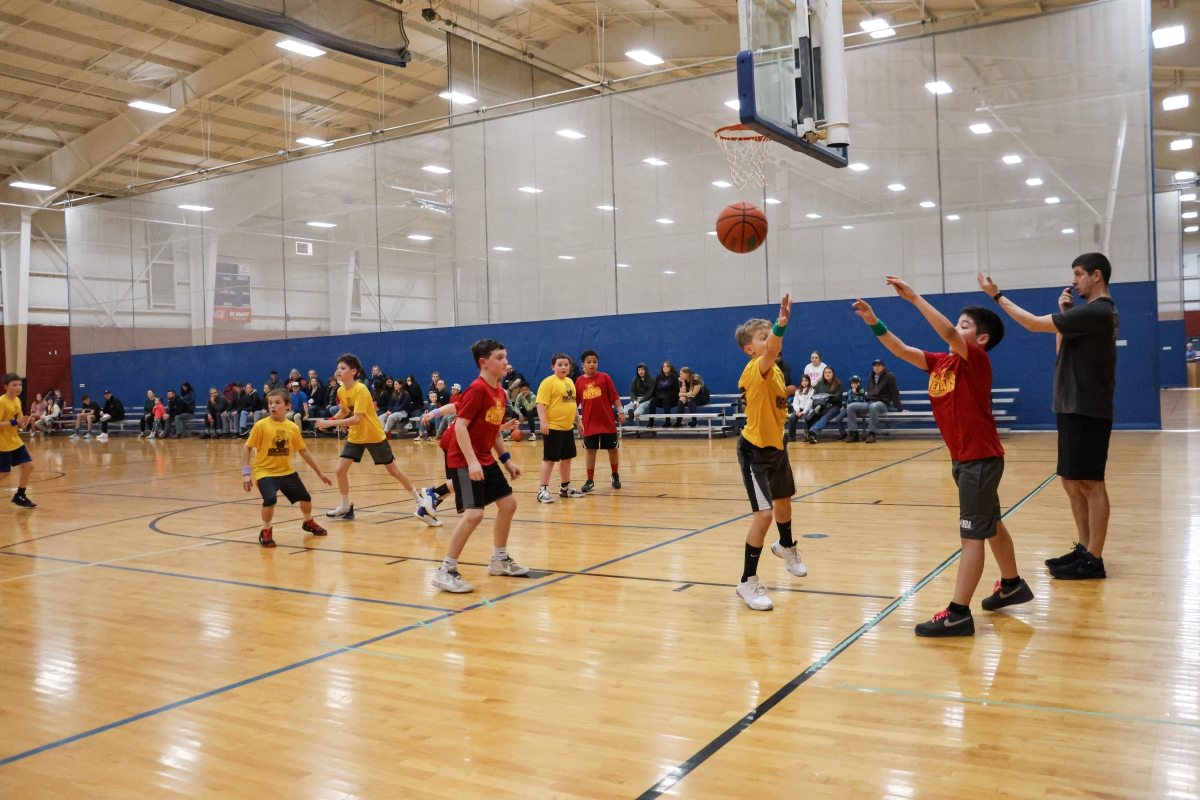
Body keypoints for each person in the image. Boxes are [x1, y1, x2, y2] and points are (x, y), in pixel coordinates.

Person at [853, 277, 1032, 636]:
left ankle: (958, 613)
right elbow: (901, 349)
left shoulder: (975, 361)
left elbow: (949, 334)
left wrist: (915, 298)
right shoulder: (941, 363)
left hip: (978, 459)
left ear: (981, 339)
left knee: (972, 536)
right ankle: (1012, 584)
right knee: (990, 522)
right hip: (966, 459)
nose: (956, 329)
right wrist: (874, 321)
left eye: (965, 325)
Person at [978, 253, 1118, 580]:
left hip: (1089, 407)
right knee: (1071, 480)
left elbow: (1030, 323)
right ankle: (1084, 549)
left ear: (1097, 275)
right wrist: (1067, 315)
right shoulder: (1085, 314)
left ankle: (1094, 559)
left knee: (1092, 482)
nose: (1075, 281)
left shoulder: (1099, 311)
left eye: (1079, 274)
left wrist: (996, 296)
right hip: (1071, 405)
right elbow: (1061, 348)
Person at [427, 339, 529, 591]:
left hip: (484, 456)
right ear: (484, 363)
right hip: (464, 458)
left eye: (506, 356)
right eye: (499, 357)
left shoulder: (499, 392)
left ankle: (499, 560)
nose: (506, 361)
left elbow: (494, 431)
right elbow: (460, 426)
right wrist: (472, 461)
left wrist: (507, 461)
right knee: (474, 515)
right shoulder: (477, 389)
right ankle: (445, 570)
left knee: (508, 504)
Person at [733, 296, 807, 611]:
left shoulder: (775, 371)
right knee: (763, 515)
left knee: (784, 500)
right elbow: (774, 347)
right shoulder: (757, 367)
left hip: (776, 446)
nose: (770, 342)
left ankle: (786, 545)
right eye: (762, 338)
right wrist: (781, 323)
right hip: (755, 452)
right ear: (750, 349)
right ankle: (747, 582)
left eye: (770, 336)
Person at [314, 353, 434, 522]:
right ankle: (346, 507)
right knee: (340, 469)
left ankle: (420, 501)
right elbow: (344, 410)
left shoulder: (361, 390)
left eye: (343, 368)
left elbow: (357, 418)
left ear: (354, 371)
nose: (338, 371)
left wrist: (330, 424)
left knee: (393, 470)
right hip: (356, 436)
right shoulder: (342, 390)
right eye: (338, 368)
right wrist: (329, 420)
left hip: (373, 434)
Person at [243, 388, 332, 547]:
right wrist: (246, 473)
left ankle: (308, 522)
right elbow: (247, 448)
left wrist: (320, 473)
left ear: (288, 406)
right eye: (270, 403)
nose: (273, 406)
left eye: (277, 403)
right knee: (270, 500)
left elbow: (303, 451)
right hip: (265, 472)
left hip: (286, 472)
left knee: (306, 499)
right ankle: (265, 531)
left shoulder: (292, 428)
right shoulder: (261, 425)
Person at [536, 352, 584, 502]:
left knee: (567, 459)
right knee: (549, 459)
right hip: (553, 427)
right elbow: (540, 404)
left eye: (566, 365)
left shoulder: (570, 382)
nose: (563, 367)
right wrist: (543, 422)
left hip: (567, 428)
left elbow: (573, 404)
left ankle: (565, 487)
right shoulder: (548, 382)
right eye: (560, 365)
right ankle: (543, 489)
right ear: (553, 367)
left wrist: (579, 421)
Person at [575, 349, 625, 492]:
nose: (592, 365)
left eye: (594, 362)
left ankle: (615, 475)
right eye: (589, 362)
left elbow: (615, 396)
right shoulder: (579, 381)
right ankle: (590, 480)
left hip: (607, 421)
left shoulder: (605, 377)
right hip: (589, 423)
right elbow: (574, 403)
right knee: (590, 451)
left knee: (612, 449)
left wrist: (621, 411)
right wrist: (577, 421)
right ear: (583, 365)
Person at [845, 359, 904, 443]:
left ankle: (871, 433)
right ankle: (853, 433)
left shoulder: (890, 376)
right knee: (851, 406)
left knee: (874, 406)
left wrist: (900, 408)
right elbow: (870, 391)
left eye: (879, 365)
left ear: (883, 367)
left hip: (882, 403)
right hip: (869, 402)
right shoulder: (871, 376)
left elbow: (894, 392)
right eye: (875, 366)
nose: (876, 368)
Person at [1, 374, 36, 508]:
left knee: (29, 466)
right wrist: (15, 422)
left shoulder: (17, 401)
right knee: (4, 473)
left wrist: (23, 423)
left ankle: (20, 495)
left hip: (15, 440)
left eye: (20, 385)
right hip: (2, 442)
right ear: (6, 387)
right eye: (14, 385)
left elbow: (20, 421)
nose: (18, 387)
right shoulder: (2, 402)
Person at [805, 366, 844, 443]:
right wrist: (820, 402)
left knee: (826, 416)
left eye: (829, 372)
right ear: (823, 374)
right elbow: (815, 394)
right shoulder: (819, 383)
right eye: (825, 372)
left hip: (834, 406)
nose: (827, 374)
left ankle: (812, 431)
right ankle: (811, 435)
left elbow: (837, 397)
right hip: (821, 404)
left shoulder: (838, 384)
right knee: (811, 413)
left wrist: (826, 398)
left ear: (833, 374)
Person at [645, 361, 680, 428]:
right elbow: (655, 388)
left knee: (665, 401)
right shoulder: (659, 376)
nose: (665, 367)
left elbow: (676, 389)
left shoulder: (675, 376)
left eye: (667, 366)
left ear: (671, 368)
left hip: (672, 398)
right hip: (661, 397)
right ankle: (651, 422)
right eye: (664, 366)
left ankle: (668, 422)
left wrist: (669, 396)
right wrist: (656, 396)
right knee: (653, 401)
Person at [834, 376, 865, 440]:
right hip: (847, 408)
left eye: (855, 383)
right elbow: (846, 400)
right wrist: (843, 406)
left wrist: (855, 393)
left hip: (857, 408)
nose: (853, 385)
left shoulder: (861, 391)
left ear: (859, 383)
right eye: (852, 383)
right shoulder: (849, 392)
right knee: (838, 418)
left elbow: (861, 400)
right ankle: (843, 433)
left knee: (850, 417)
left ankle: (853, 434)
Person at [787, 374, 815, 443]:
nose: (804, 382)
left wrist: (803, 412)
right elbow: (795, 402)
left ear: (809, 381)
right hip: (799, 410)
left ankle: (807, 436)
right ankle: (792, 437)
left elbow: (809, 402)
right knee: (792, 418)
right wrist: (797, 411)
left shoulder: (811, 390)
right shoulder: (798, 391)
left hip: (808, 410)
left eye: (806, 380)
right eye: (802, 381)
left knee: (808, 418)